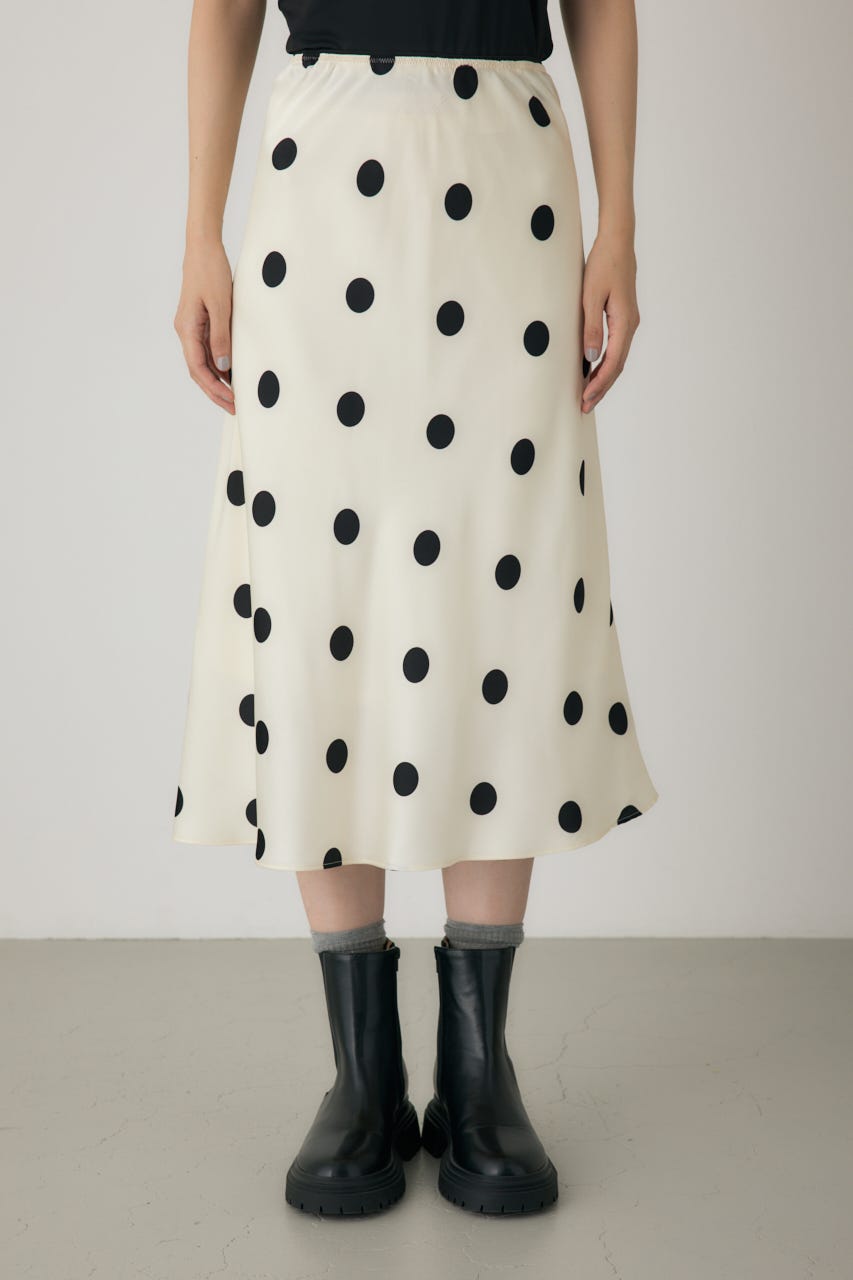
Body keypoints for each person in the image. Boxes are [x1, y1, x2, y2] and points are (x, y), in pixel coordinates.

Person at [171, 0, 658, 1217]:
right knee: (315, 595)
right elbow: (225, 9)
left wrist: (618, 225)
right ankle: (364, 1074)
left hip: (509, 191)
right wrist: (198, 235)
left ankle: (479, 1074)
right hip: (318, 186)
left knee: (504, 594)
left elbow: (600, 4)